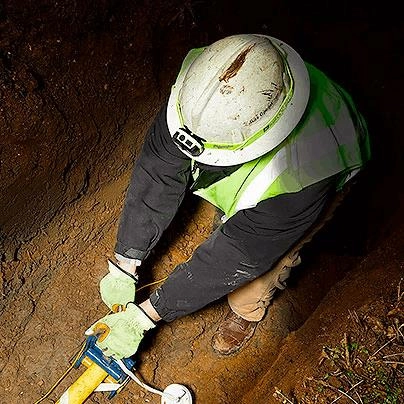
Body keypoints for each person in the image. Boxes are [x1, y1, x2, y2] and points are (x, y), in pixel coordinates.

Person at [86, 34, 371, 359]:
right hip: (262, 146)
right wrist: (126, 261)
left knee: (256, 276)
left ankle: (247, 313)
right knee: (229, 217)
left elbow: (235, 257)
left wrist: (145, 316)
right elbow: (159, 170)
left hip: (312, 180)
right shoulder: (201, 90)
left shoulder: (304, 173)